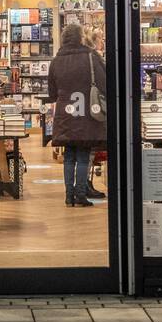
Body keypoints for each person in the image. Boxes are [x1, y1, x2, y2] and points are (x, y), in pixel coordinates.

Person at [46, 22, 108, 206]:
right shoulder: (91, 57)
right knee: (83, 154)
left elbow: (52, 94)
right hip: (86, 114)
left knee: (69, 156)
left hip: (66, 114)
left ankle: (68, 195)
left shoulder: (56, 61)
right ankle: (81, 194)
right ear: (81, 37)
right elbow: (104, 83)